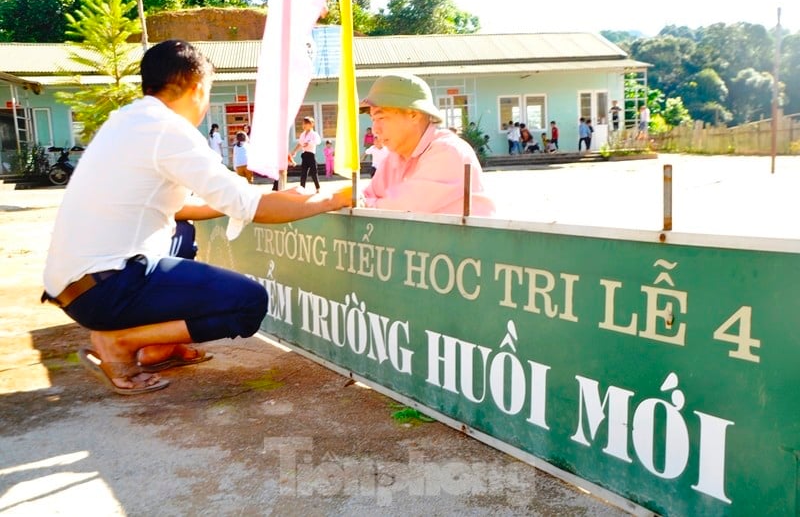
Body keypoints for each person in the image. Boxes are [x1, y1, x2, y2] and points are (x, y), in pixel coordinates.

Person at [41, 40, 351, 395]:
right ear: (198, 88)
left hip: (74, 288)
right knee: (249, 302)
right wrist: (330, 199)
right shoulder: (168, 130)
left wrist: (264, 198)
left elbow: (180, 208)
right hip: (108, 289)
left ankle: (159, 347)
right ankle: (121, 342)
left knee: (182, 235)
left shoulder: (126, 120)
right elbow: (252, 208)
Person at [358, 74, 495, 216]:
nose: (375, 129)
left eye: (381, 117)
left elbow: (404, 205)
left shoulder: (447, 152)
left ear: (413, 115)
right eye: (373, 119)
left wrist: (362, 203)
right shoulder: (395, 158)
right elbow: (368, 195)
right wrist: (354, 198)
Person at [291, 116, 321, 193]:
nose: (303, 126)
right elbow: (300, 144)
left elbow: (318, 141)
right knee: (303, 173)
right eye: (303, 124)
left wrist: (310, 142)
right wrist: (294, 151)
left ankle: (318, 188)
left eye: (305, 124)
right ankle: (302, 188)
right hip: (304, 155)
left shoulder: (314, 134)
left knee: (314, 172)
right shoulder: (302, 134)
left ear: (311, 125)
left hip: (311, 155)